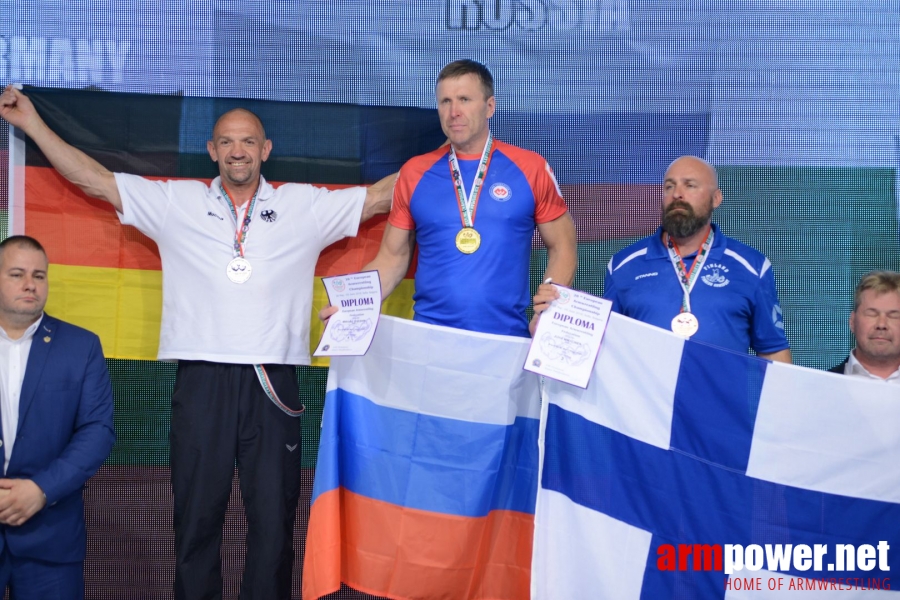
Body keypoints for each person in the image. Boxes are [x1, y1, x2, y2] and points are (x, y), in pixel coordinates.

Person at [0, 85, 396, 599]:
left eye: (248, 141)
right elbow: (92, 179)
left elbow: (381, 197)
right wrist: (30, 123)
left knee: (274, 529)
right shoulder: (175, 202)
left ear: (265, 149)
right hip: (201, 380)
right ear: (212, 150)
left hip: (273, 383)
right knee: (195, 525)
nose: (238, 151)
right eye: (227, 141)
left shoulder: (303, 205)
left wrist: (452, 149)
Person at [335, 59, 576, 337]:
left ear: (489, 107)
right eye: (445, 101)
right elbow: (391, 258)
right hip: (430, 339)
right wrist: (350, 307)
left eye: (464, 99)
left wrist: (549, 312)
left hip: (505, 338)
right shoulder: (414, 172)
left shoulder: (530, 168)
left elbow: (564, 245)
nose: (454, 112)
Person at [581, 155, 791, 361]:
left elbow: (773, 351)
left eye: (689, 185)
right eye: (669, 187)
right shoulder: (622, 266)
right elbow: (604, 350)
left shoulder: (752, 268)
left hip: (722, 397)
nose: (677, 194)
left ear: (716, 198)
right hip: (648, 397)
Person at [0, 235, 115, 600]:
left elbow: (97, 432)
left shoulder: (81, 347)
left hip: (51, 538)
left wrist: (41, 489)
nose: (30, 284)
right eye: (17, 274)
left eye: (39, 275)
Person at [829, 271, 900, 382]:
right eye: (872, 314)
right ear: (852, 322)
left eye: (894, 316)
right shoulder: (816, 387)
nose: (881, 324)